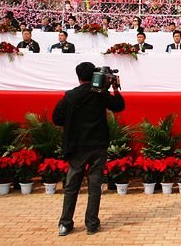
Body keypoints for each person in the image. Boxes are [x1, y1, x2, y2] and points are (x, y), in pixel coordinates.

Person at [52, 62, 125, 236]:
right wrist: (115, 88)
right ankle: (91, 224)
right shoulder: (100, 94)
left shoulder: (70, 96)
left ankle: (65, 224)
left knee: (71, 187)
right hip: (97, 146)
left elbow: (57, 118)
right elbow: (119, 106)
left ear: (78, 77)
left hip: (76, 147)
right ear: (93, 75)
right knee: (94, 187)